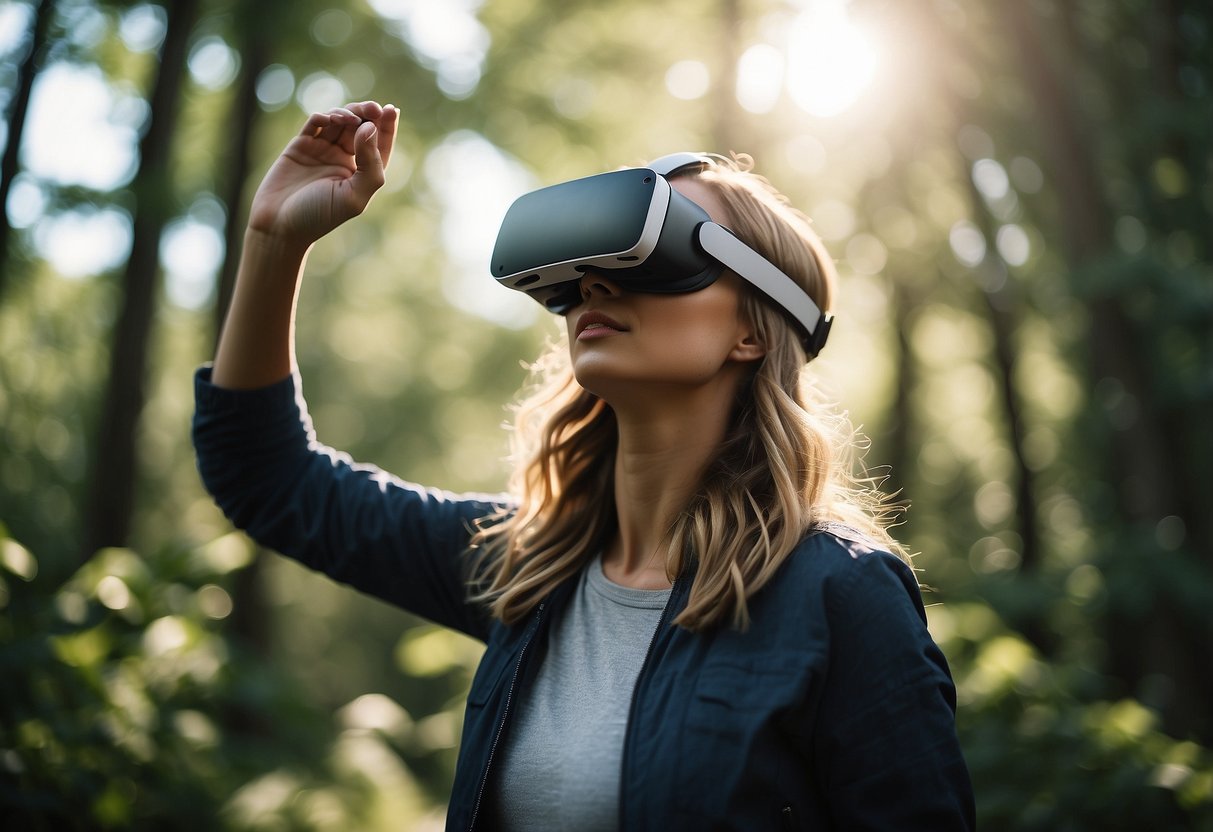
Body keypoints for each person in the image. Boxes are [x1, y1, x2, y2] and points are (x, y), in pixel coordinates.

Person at [193, 100, 975, 831]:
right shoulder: (528, 570)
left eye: (656, 249)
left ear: (751, 331)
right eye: (584, 265)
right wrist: (274, 241)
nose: (595, 283)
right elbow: (267, 478)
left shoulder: (839, 595)